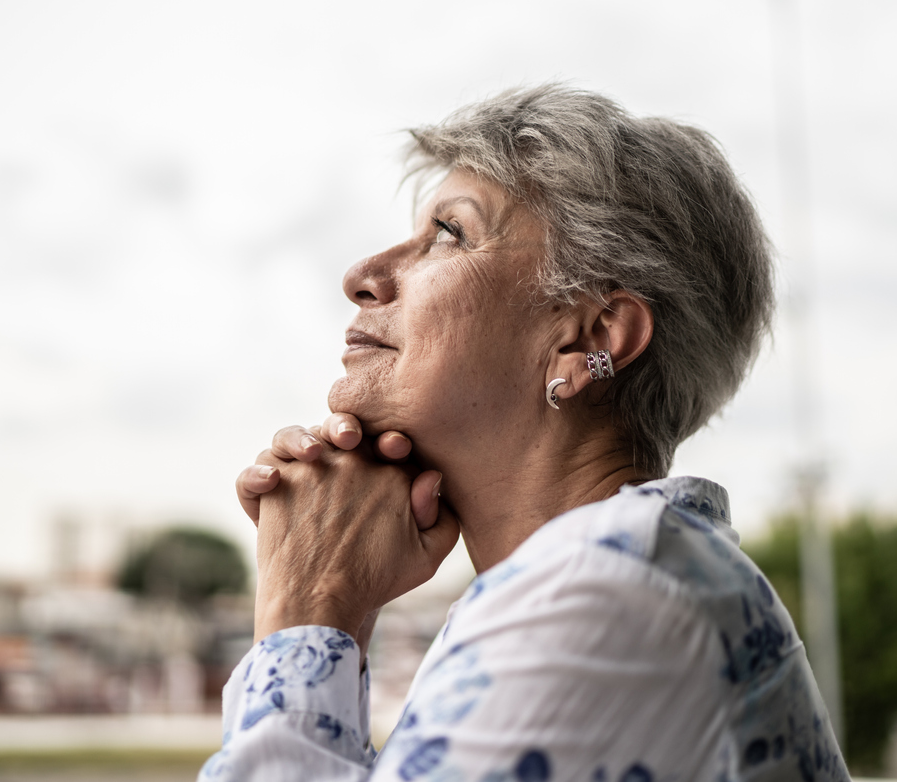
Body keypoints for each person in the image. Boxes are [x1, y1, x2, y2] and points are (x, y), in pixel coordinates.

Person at [198, 85, 849, 782]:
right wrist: (341, 614)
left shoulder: (600, 592)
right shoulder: (630, 574)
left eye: (449, 234)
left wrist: (308, 611)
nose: (363, 276)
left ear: (590, 339)